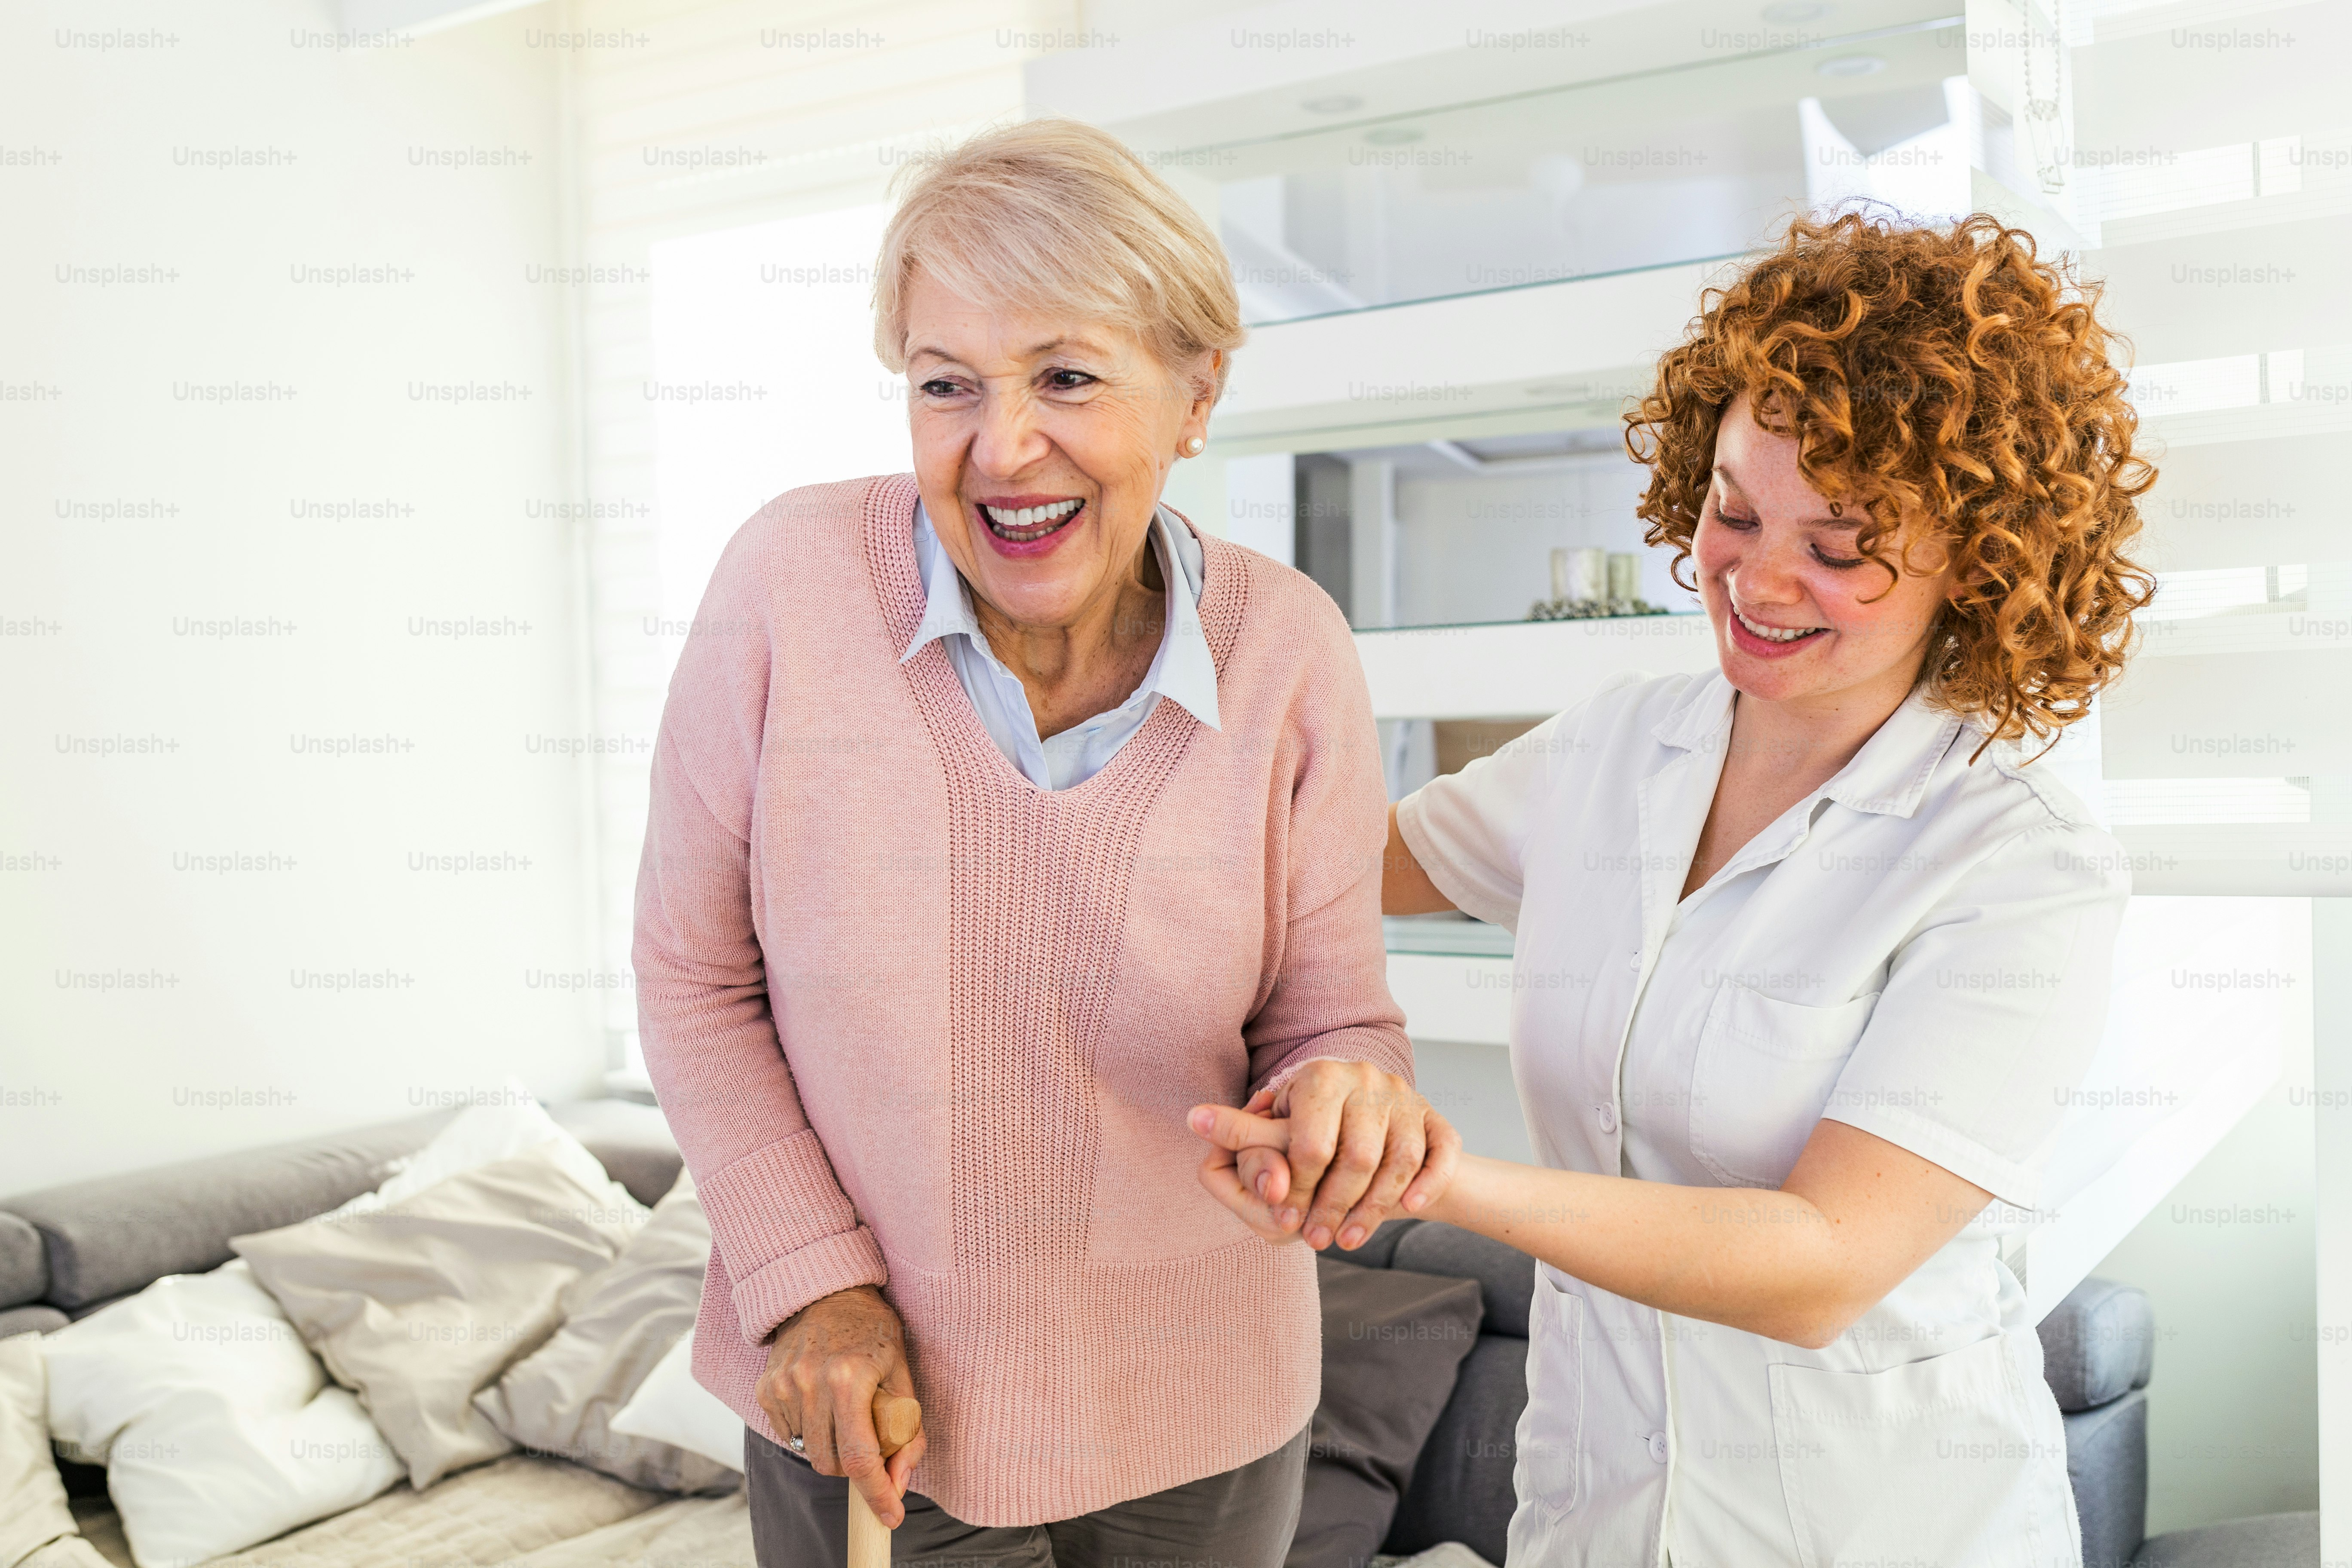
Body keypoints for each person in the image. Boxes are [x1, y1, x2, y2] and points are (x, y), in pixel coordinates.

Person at [1193, 211, 2156, 1566]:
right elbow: (1327, 865)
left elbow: (1819, 1262)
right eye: (1733, 508)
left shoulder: (2019, 861)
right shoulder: (1614, 748)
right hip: (1592, 1520)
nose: (1756, 579)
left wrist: (1436, 1177)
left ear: (1982, 559)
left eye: (1843, 545)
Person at [632, 118, 1456, 1568]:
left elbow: (1334, 1015)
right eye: (948, 384)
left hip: (1207, 1408)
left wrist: (1344, 1098)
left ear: (1196, 395)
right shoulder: (790, 584)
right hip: (871, 1407)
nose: (1002, 449)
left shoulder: (1290, 650)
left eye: (1068, 377)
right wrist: (813, 1289)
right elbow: (694, 979)